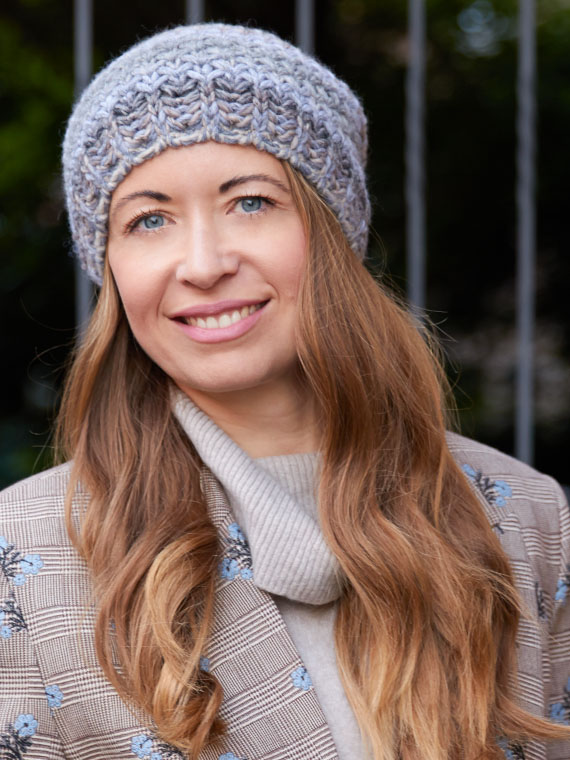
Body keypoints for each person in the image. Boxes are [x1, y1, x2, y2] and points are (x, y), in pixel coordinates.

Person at [0, 22, 568, 760]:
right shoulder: (24, 553)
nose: (203, 264)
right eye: (150, 219)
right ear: (110, 267)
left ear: (332, 232)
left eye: (250, 203)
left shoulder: (524, 517)